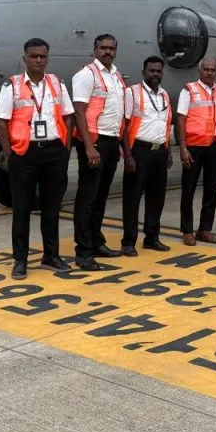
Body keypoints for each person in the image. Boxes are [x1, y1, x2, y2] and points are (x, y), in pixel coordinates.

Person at [0, 38, 74, 280]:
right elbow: (1, 122)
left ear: (47, 58)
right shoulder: (12, 86)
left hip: (53, 152)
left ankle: (51, 255)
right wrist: (10, 154)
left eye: (42, 56)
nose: (39, 60)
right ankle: (20, 260)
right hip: (24, 153)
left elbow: (68, 117)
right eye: (34, 56)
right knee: (22, 209)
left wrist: (65, 148)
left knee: (52, 207)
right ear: (25, 58)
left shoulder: (57, 84)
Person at [70, 34, 126, 269]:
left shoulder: (115, 75)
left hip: (112, 141)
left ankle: (96, 241)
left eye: (111, 48)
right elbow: (79, 112)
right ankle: (83, 251)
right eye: (103, 48)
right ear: (94, 49)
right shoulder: (86, 75)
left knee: (101, 197)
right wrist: (89, 146)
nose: (107, 52)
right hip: (94, 142)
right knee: (88, 197)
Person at [121, 56, 174, 255]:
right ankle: (128, 241)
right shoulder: (132, 92)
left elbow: (165, 123)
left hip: (159, 151)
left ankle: (152, 238)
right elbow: (124, 126)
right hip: (139, 152)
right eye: (151, 71)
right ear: (143, 72)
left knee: (156, 198)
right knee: (133, 198)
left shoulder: (164, 95)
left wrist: (167, 151)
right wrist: (127, 155)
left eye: (158, 71)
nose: (155, 75)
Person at [176, 57, 216, 245]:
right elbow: (181, 119)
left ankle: (205, 229)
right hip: (195, 147)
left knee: (211, 189)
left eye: (212, 70)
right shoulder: (189, 90)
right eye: (206, 69)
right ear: (200, 71)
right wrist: (183, 148)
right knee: (188, 189)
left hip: (215, 146)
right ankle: (187, 230)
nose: (209, 73)